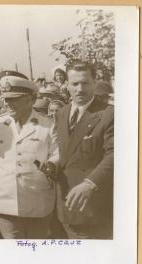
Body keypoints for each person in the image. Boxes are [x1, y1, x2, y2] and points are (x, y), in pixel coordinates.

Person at [0, 74, 59, 239]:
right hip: (3, 198)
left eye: (14, 99)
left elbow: (56, 154)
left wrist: (51, 164)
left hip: (37, 199)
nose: (7, 103)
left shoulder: (47, 125)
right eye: (5, 99)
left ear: (32, 99)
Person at [53, 62, 114, 239]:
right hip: (65, 205)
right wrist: (52, 163)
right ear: (66, 85)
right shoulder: (62, 113)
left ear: (95, 82)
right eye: (74, 84)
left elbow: (115, 154)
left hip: (94, 208)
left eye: (85, 83)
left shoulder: (108, 114)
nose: (80, 89)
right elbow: (66, 151)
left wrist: (90, 183)